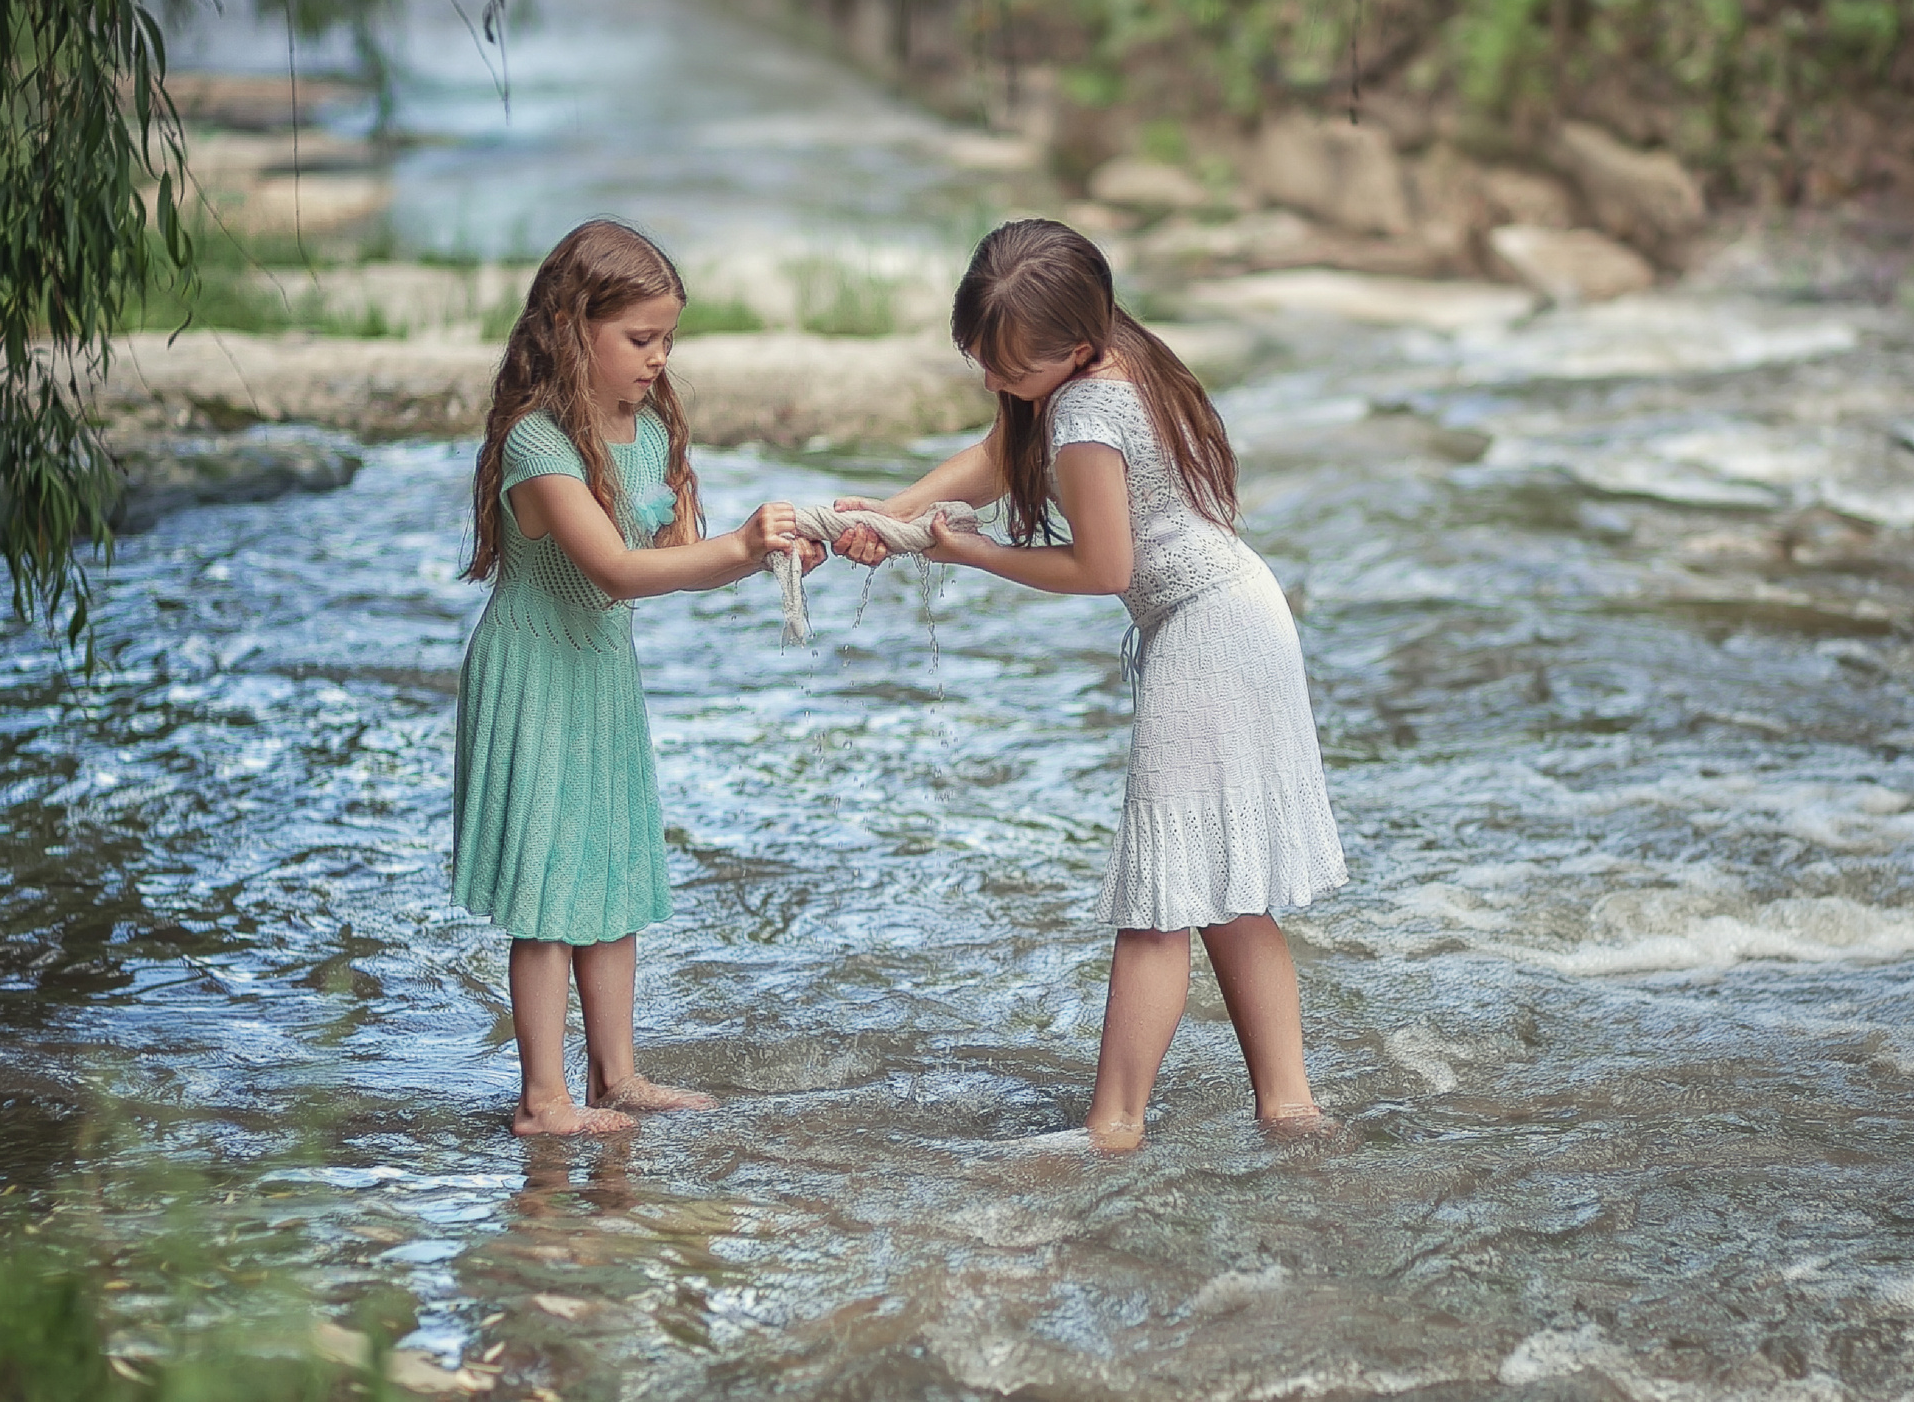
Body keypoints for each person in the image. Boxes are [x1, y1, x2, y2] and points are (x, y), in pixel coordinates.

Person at [835, 218, 1345, 1151]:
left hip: (1206, 631)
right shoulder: (1116, 349)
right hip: (1244, 610)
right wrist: (896, 509)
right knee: (1230, 888)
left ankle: (1112, 1128)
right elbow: (996, 457)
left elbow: (1105, 567)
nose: (993, 382)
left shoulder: (1085, 407)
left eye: (1007, 370)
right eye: (980, 362)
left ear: (1069, 349)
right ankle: (1290, 1109)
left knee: (1159, 898)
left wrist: (976, 552)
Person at [456, 218, 821, 1137]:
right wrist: (734, 547)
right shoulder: (539, 445)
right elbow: (616, 570)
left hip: (604, 673)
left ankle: (615, 1075)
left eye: (668, 340)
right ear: (574, 327)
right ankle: (544, 1098)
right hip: (536, 673)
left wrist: (761, 557)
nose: (660, 359)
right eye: (640, 339)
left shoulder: (648, 429)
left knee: (611, 869)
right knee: (545, 889)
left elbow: (673, 558)